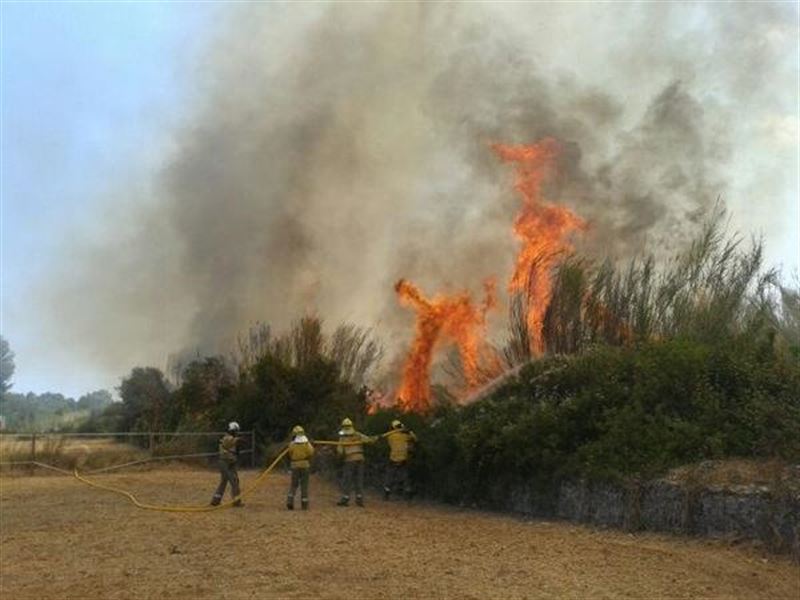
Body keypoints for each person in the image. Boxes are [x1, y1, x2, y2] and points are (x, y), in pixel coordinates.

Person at [336, 417, 375, 507]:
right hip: (360, 459)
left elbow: (340, 451)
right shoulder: (358, 435)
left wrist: (339, 457)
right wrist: (375, 438)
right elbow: (369, 440)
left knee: (347, 479)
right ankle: (359, 499)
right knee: (359, 479)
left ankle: (345, 499)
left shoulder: (342, 438)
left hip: (350, 460)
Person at [210, 421, 245, 507]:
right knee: (233, 481)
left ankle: (216, 500)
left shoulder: (231, 438)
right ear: (232, 430)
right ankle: (236, 501)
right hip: (225, 463)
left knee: (227, 481)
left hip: (231, 462)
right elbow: (230, 441)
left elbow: (234, 449)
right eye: (236, 431)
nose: (237, 433)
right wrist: (239, 439)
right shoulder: (227, 438)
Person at [383, 419, 417, 501]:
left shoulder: (390, 437)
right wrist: (409, 431)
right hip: (403, 459)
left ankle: (387, 492)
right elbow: (415, 439)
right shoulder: (405, 436)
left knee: (390, 476)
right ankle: (407, 492)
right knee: (405, 476)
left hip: (393, 458)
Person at [286, 425, 314, 510]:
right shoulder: (306, 443)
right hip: (305, 465)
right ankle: (304, 504)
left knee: (294, 484)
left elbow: (290, 453)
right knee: (304, 485)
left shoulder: (292, 444)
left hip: (294, 465)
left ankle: (290, 501)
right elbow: (311, 452)